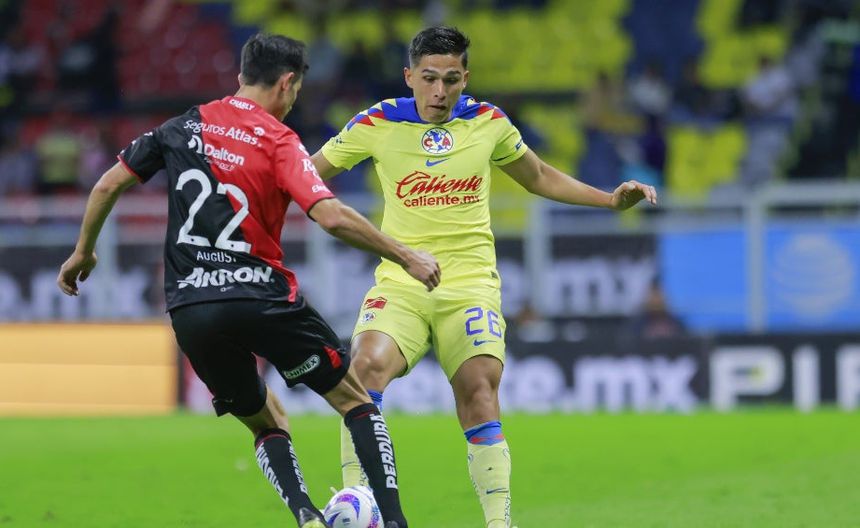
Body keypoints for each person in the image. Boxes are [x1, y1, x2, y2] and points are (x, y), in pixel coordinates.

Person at [57, 33, 441, 528]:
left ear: (242, 76)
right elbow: (329, 216)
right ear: (287, 83)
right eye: (296, 91)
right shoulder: (279, 140)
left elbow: (109, 183)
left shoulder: (184, 125)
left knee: (266, 420)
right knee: (355, 401)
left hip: (192, 309)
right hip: (262, 296)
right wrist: (404, 255)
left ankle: (306, 515)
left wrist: (82, 252)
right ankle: (394, 521)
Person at [310, 26, 657, 528]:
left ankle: (498, 524)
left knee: (478, 391)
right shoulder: (377, 122)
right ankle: (360, 502)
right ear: (409, 76)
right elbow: (308, 174)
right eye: (429, 78)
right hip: (402, 283)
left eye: (451, 79)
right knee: (362, 371)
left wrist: (608, 200)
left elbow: (538, 176)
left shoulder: (488, 122)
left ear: (465, 78)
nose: (439, 91)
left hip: (470, 284)